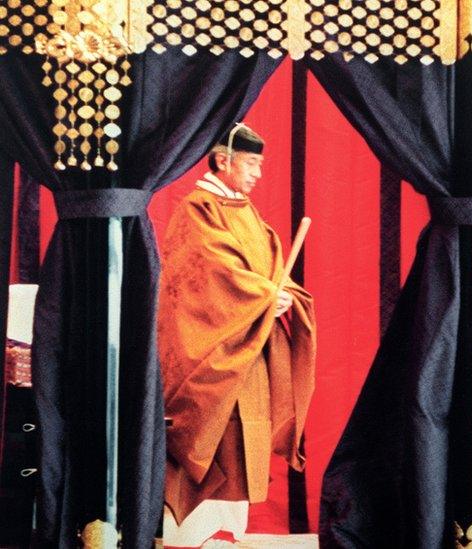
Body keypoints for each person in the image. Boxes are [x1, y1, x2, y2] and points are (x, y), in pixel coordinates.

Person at [158, 124, 316, 547]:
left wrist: (283, 295)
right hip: (210, 350)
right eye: (251, 164)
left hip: (250, 345)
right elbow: (210, 272)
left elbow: (268, 267)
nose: (257, 174)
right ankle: (189, 536)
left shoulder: (246, 210)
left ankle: (226, 534)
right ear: (223, 160)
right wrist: (266, 294)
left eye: (260, 165)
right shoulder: (198, 209)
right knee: (210, 435)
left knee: (245, 437)